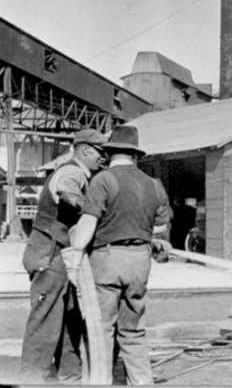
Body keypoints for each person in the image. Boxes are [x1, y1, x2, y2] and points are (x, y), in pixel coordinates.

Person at [64, 125, 170, 385]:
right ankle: (142, 382)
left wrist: (75, 257)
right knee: (133, 331)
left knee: (101, 330)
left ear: (110, 153)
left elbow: (89, 221)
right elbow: (161, 227)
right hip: (140, 261)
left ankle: (99, 382)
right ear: (135, 155)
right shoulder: (154, 185)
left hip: (107, 260)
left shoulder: (103, 180)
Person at [20, 129, 107, 383]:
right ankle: (30, 379)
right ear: (85, 149)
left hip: (63, 254)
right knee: (45, 319)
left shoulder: (85, 174)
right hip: (50, 253)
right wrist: (88, 207)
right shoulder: (72, 171)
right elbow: (67, 190)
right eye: (100, 152)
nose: (103, 158)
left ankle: (70, 376)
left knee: (70, 317)